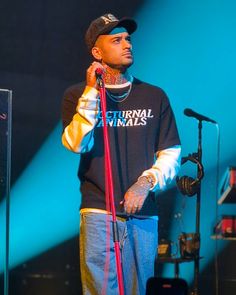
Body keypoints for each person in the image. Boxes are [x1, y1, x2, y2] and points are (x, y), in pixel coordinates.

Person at [61, 13, 181, 295]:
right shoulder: (77, 95)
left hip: (143, 214)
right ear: (97, 52)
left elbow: (171, 152)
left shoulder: (154, 96)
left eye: (128, 39)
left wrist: (145, 183)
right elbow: (76, 143)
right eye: (116, 40)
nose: (127, 44)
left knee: (139, 289)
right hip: (98, 210)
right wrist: (92, 93)